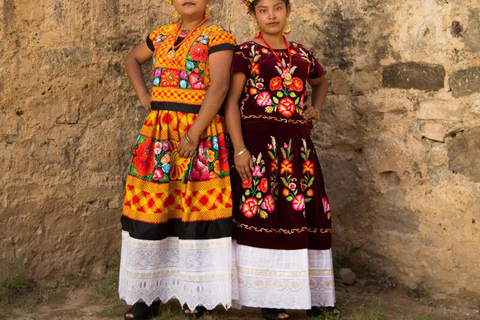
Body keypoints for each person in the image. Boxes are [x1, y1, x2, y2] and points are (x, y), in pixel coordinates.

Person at [119, 0, 236, 319]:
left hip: (197, 134)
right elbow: (131, 60)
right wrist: (146, 97)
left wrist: (193, 134)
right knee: (153, 211)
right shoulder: (160, 35)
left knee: (194, 211)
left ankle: (194, 294)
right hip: (158, 136)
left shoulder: (217, 35)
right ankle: (147, 294)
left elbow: (219, 87)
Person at [224, 0, 339, 319]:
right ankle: (270, 299)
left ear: (288, 11)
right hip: (258, 150)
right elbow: (231, 103)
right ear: (253, 14)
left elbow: (321, 81)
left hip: (298, 150)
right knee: (265, 217)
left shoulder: (302, 54)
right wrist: (239, 149)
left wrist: (315, 108)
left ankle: (313, 295)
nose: (271, 15)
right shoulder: (245, 52)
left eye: (277, 8)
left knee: (306, 215)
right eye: (263, 9)